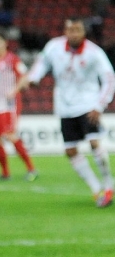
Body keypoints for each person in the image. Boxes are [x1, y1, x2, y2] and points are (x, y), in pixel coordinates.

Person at [13, 18, 115, 207]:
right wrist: (33, 78)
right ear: (65, 31)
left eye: (77, 30)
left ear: (84, 32)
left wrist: (100, 105)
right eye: (70, 30)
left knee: (94, 143)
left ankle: (109, 184)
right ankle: (96, 188)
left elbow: (109, 78)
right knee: (70, 150)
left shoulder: (94, 53)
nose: (73, 33)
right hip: (65, 107)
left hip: (88, 105)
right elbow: (41, 64)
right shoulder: (54, 47)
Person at [0, 30, 37, 181]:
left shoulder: (13, 59)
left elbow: (24, 77)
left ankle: (31, 169)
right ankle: (5, 173)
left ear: (5, 43)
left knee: (10, 134)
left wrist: (14, 90)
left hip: (9, 104)